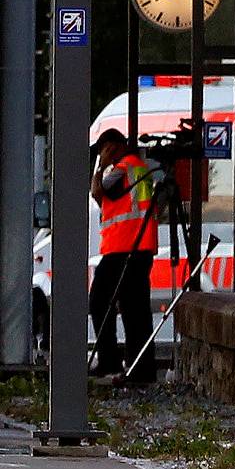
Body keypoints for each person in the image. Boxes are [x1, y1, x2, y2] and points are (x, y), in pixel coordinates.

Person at [88, 128, 159, 385]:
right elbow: (109, 201)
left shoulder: (122, 168)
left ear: (113, 146)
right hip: (138, 247)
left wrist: (102, 165)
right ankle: (142, 368)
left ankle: (110, 360)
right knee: (135, 309)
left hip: (123, 247)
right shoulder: (137, 167)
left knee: (99, 302)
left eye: (102, 149)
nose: (100, 154)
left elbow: (98, 191)